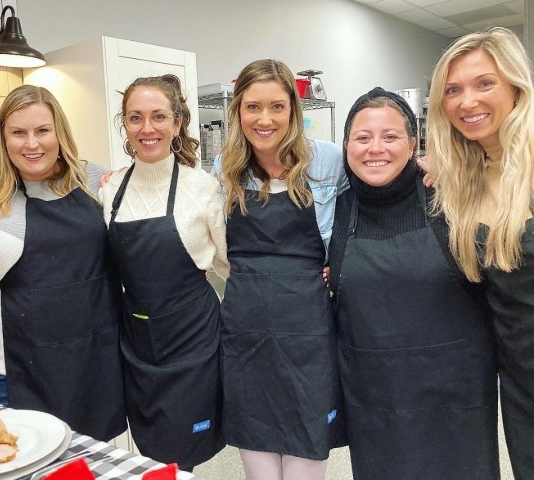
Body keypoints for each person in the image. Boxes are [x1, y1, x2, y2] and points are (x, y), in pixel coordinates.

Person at [328, 87, 499, 480]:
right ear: (346, 145)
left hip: (455, 402)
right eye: (362, 137)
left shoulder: (451, 199)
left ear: (413, 143)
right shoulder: (335, 211)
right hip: (373, 403)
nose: (376, 148)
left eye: (390, 137)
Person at [215, 59, 347, 480]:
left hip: (308, 331)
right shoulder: (224, 170)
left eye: (276, 106)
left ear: (293, 109)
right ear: (238, 111)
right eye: (253, 107)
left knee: (306, 453)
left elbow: (374, 205)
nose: (265, 119)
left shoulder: (328, 162)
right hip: (244, 330)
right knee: (258, 459)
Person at [0, 84, 126, 441]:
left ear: (59, 131)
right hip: (20, 364)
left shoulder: (96, 180)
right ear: (3, 138)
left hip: (95, 357)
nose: (32, 144)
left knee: (92, 465)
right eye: (18, 132)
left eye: (43, 130)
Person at [99, 74, 229, 471]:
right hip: (136, 344)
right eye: (135, 118)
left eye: (158, 116)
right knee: (149, 453)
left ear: (177, 123)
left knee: (182, 454)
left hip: (193, 342)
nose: (147, 128)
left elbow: (229, 265)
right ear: (125, 125)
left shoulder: (202, 187)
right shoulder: (109, 189)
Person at [426, 26, 534, 479]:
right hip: (518, 377)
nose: (467, 102)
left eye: (484, 83)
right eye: (453, 90)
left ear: (516, 86)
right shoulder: (461, 183)